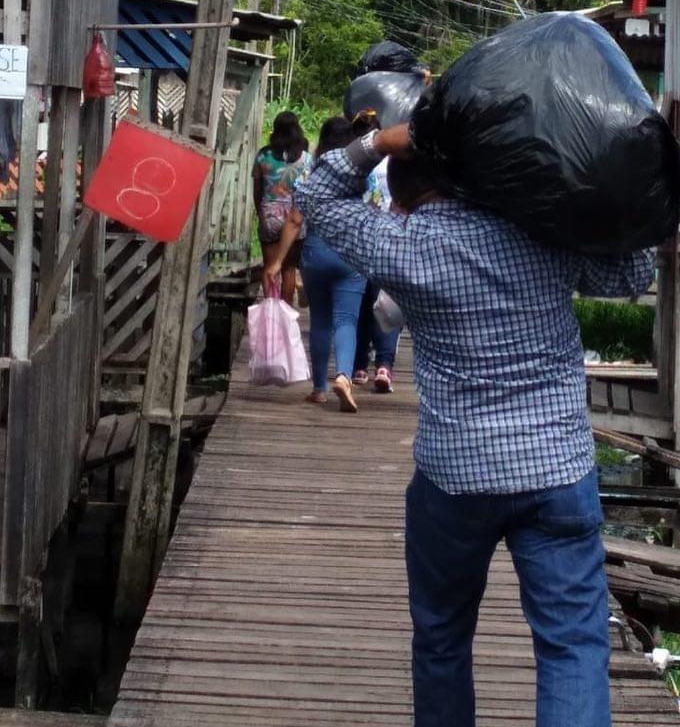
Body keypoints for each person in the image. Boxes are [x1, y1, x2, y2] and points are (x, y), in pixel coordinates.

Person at [293, 123, 656, 727]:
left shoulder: (404, 245)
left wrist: (379, 142)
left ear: (406, 193)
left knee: (441, 638)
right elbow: (631, 271)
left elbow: (316, 195)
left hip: (455, 478)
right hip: (556, 470)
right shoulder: (540, 227)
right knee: (572, 644)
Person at [262, 117, 365, 412]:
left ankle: (319, 388)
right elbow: (375, 206)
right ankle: (344, 375)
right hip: (351, 254)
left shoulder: (312, 174)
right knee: (347, 320)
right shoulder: (361, 173)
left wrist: (278, 262)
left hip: (316, 254)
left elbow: (295, 220)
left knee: (320, 321)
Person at [348, 110, 400, 392]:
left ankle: (358, 367)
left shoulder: (351, 163)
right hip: (389, 241)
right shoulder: (392, 163)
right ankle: (384, 365)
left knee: (360, 307)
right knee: (386, 304)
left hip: (358, 242)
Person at [254, 111, 310, 306]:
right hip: (295, 217)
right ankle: (286, 314)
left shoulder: (263, 155)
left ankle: (271, 312)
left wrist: (260, 212)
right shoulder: (306, 159)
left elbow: (257, 189)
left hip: (269, 213)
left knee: (269, 266)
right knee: (288, 269)